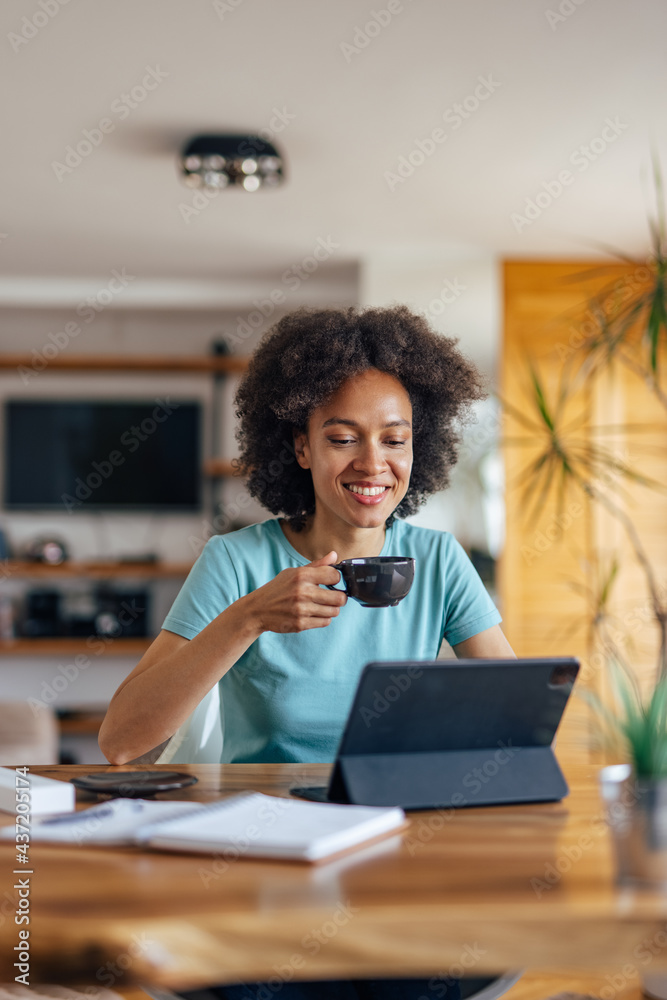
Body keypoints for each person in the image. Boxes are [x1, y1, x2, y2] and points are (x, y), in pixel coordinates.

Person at [99, 304, 515, 999]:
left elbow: (509, 714)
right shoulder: (237, 561)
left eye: (394, 439)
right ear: (300, 447)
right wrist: (247, 620)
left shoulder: (438, 561)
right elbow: (121, 741)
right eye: (343, 438)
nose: (373, 464)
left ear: (419, 447)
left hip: (394, 848)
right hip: (264, 856)